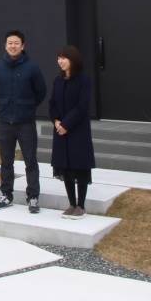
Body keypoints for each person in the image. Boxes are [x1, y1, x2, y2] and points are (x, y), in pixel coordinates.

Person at [0, 29, 47, 213]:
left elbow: (41, 92)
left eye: (16, 43)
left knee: (30, 161)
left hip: (26, 123)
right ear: (5, 45)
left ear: (23, 46)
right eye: (10, 43)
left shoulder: (32, 68)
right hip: (5, 122)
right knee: (6, 161)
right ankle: (6, 194)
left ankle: (33, 197)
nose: (13, 46)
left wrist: (28, 107)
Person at [49, 45, 95, 218]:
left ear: (73, 60)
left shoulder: (84, 80)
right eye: (58, 58)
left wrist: (66, 124)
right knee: (65, 167)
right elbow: (52, 103)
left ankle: (81, 205)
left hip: (77, 130)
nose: (60, 61)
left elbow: (82, 106)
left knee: (80, 166)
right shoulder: (58, 80)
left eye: (64, 58)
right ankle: (71, 204)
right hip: (60, 131)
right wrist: (56, 121)